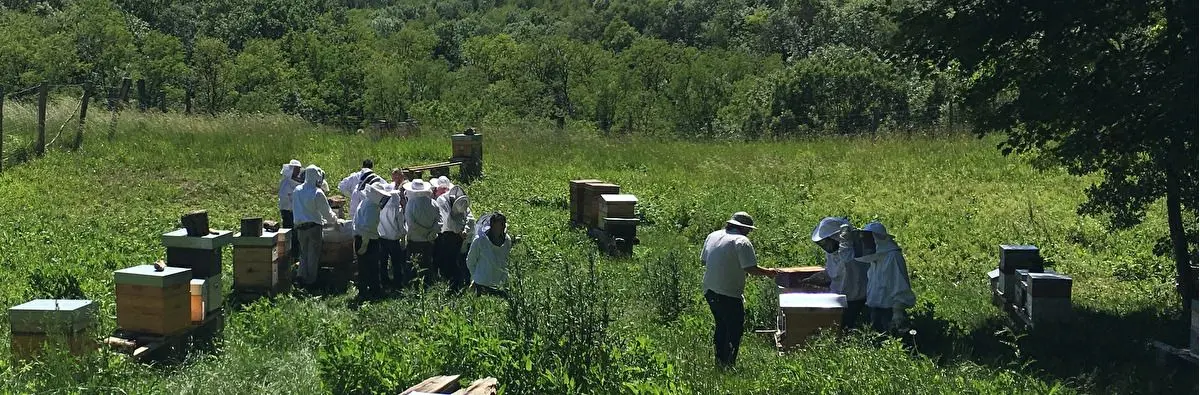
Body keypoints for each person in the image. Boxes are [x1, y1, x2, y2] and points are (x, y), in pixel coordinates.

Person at [700, 212, 779, 368]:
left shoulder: (713, 235)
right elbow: (750, 268)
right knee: (734, 328)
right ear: (743, 228)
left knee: (721, 325)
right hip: (728, 293)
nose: (749, 232)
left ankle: (720, 361)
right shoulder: (741, 241)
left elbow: (704, 261)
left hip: (709, 289)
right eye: (748, 230)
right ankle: (728, 364)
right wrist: (768, 272)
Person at [856, 221, 916, 333]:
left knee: (889, 341)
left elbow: (899, 284)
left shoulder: (892, 257)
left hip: (889, 311)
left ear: (878, 239)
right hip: (874, 309)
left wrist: (897, 312)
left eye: (869, 240)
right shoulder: (876, 258)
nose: (867, 243)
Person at [810, 217, 869, 329]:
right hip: (836, 298)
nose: (825, 247)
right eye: (822, 244)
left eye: (826, 242)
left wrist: (845, 238)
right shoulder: (832, 253)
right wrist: (815, 278)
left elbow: (846, 259)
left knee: (844, 329)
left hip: (856, 301)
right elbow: (833, 273)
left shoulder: (852, 251)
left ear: (836, 237)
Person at [291, 165, 338, 287]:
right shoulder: (317, 192)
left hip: (300, 227)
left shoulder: (297, 190)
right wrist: (335, 221)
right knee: (313, 255)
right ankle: (310, 282)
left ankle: (300, 277)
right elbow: (327, 212)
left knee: (303, 254)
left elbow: (295, 208)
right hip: (313, 228)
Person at [354, 183, 394, 299]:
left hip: (362, 238)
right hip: (368, 240)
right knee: (372, 267)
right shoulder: (372, 207)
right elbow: (368, 227)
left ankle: (364, 291)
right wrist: (365, 243)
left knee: (364, 267)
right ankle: (374, 292)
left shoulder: (365, 202)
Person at [435, 183, 473, 292]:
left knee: (456, 259)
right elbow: (448, 221)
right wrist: (460, 231)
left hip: (459, 234)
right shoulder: (442, 201)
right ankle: (451, 284)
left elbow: (468, 216)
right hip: (446, 234)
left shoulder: (462, 201)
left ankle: (457, 285)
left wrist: (465, 229)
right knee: (447, 260)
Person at [404, 179, 442, 287]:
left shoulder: (411, 203)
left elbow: (411, 224)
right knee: (427, 264)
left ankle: (414, 287)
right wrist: (430, 233)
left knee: (414, 266)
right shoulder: (433, 203)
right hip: (429, 240)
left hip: (415, 240)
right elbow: (439, 221)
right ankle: (427, 286)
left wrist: (424, 233)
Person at [377, 169, 409, 289]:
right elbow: (400, 225)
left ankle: (384, 282)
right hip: (394, 239)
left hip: (382, 237)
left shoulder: (379, 207)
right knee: (397, 263)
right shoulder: (397, 209)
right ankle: (398, 283)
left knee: (383, 262)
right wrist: (403, 235)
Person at [467, 212, 512, 297]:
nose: (503, 227)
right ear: (492, 225)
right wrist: (475, 277)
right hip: (482, 284)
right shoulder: (479, 240)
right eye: (500, 224)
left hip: (500, 285)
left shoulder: (507, 240)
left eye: (504, 224)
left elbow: (505, 260)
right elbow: (470, 261)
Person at [278, 159, 303, 260]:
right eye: (296, 169)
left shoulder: (297, 180)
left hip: (296, 212)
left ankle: (296, 255)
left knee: (297, 234)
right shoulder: (286, 183)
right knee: (290, 233)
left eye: (299, 169)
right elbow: (285, 199)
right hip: (288, 212)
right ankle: (290, 255)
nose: (298, 172)